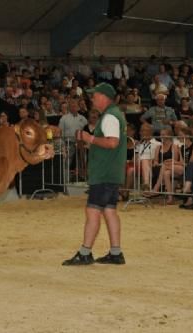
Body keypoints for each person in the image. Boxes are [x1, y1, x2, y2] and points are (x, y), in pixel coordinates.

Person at [63, 83, 127, 266]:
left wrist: (88, 138)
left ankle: (85, 253)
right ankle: (116, 253)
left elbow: (112, 142)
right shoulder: (115, 115)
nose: (92, 99)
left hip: (104, 173)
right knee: (109, 211)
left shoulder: (109, 117)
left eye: (95, 95)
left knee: (92, 211)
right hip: (111, 172)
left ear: (104, 97)